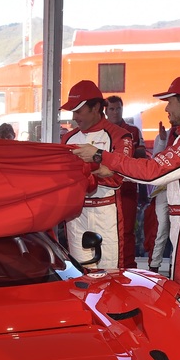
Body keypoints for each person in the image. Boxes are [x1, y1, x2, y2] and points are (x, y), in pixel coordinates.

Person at [72, 73, 180, 308]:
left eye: (170, 101)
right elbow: (157, 171)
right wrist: (115, 168)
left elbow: (153, 171)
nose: (166, 109)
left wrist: (100, 155)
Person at [60, 80, 134, 270]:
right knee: (80, 275)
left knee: (110, 275)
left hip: (106, 213)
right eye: (73, 111)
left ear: (96, 108)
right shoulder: (68, 138)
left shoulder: (120, 136)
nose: (74, 117)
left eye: (78, 111)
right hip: (76, 215)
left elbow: (118, 177)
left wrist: (85, 172)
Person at [106, 95, 146, 268]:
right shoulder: (101, 131)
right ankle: (109, 266)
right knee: (107, 230)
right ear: (105, 111)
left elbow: (142, 154)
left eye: (118, 108)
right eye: (112, 109)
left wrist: (125, 153)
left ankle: (128, 267)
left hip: (127, 187)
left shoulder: (133, 131)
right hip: (105, 187)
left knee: (128, 230)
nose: (115, 112)